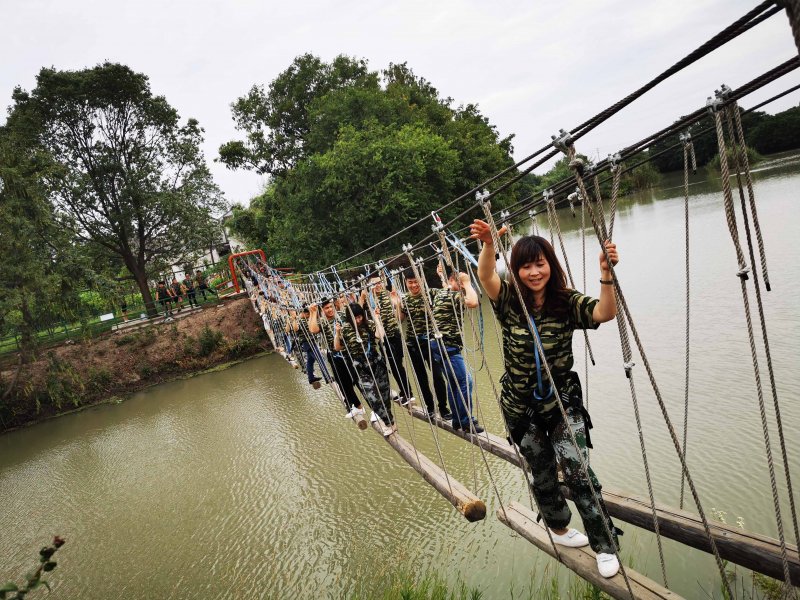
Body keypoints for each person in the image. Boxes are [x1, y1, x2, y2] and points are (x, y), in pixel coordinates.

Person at [471, 218, 622, 578]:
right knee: (541, 471)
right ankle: (558, 528)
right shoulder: (508, 300)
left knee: (578, 469)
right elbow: (486, 276)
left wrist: (606, 274)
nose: (534, 272)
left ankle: (604, 544)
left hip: (561, 403)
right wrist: (490, 246)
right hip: (520, 408)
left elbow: (605, 312)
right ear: (518, 270)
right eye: (526, 265)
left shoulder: (565, 301)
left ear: (550, 266)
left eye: (541, 264)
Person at [429, 267, 484, 433]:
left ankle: (457, 420)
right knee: (465, 382)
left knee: (454, 383)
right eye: (459, 284)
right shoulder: (452, 296)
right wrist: (467, 282)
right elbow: (474, 302)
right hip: (447, 346)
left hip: (438, 345)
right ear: (454, 282)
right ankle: (467, 421)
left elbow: (448, 285)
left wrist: (441, 276)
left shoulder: (441, 293)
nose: (462, 288)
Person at [334, 302, 396, 436]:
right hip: (361, 368)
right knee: (372, 397)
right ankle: (389, 422)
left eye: (360, 317)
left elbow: (380, 335)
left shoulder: (369, 325)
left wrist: (377, 319)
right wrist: (337, 333)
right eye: (355, 318)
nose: (358, 320)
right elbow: (338, 348)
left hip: (376, 364)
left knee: (384, 396)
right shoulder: (345, 329)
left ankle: (390, 423)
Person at [399, 267, 451, 420]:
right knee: (421, 378)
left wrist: (442, 277)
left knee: (438, 376)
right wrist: (396, 304)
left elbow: (448, 294)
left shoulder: (431, 294)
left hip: (431, 341)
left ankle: (443, 407)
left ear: (421, 281)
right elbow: (400, 319)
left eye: (416, 282)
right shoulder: (404, 299)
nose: (414, 285)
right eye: (410, 282)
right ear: (405, 283)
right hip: (413, 343)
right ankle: (430, 407)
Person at [309, 299, 364, 417]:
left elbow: (358, 318)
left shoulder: (343, 315)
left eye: (330, 307)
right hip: (335, 356)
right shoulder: (323, 322)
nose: (329, 310)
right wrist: (313, 312)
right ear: (323, 310)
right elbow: (313, 330)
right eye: (326, 308)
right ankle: (358, 406)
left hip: (349, 353)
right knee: (342, 383)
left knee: (358, 380)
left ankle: (373, 407)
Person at [364, 278, 412, 405]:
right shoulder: (370, 299)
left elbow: (399, 315)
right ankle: (405, 392)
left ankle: (408, 393)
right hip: (383, 338)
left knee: (397, 365)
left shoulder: (389, 294)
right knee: (393, 365)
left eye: (379, 282)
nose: (378, 285)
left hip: (394, 335)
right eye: (374, 284)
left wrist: (396, 304)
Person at [293, 305, 322, 387]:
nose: (308, 315)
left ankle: (311, 378)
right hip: (308, 343)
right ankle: (327, 377)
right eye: (307, 314)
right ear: (303, 313)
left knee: (310, 361)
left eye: (309, 314)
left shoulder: (306, 319)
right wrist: (294, 318)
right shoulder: (300, 320)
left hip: (310, 342)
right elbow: (295, 328)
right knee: (320, 359)